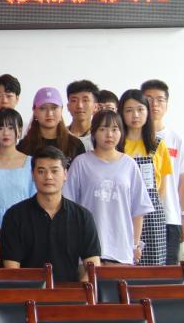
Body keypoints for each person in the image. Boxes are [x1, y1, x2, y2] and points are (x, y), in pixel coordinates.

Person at [63, 110, 153, 265]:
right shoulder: (81, 163)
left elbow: (138, 209)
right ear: (94, 132)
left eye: (115, 129)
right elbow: (68, 205)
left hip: (121, 249)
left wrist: (135, 244)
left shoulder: (129, 165)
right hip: (87, 249)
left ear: (121, 132)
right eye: (103, 129)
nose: (109, 134)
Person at [0, 146, 101, 283]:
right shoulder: (15, 216)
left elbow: (93, 264)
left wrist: (79, 293)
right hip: (29, 293)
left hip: (71, 293)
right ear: (32, 175)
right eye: (41, 171)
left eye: (54, 171)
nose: (48, 177)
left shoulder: (82, 216)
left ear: (65, 174)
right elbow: (12, 269)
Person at [142, 79, 184, 264]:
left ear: (167, 105)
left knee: (168, 272)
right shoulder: (132, 138)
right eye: (148, 99)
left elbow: (183, 182)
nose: (154, 104)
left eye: (160, 99)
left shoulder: (176, 140)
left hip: (169, 218)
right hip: (140, 218)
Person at [119, 89, 172, 267]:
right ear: (121, 113)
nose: (135, 115)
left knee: (153, 267)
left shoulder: (157, 144)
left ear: (148, 112)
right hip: (123, 210)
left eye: (140, 109)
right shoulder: (117, 145)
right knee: (124, 265)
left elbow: (162, 186)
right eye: (129, 110)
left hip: (152, 214)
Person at [18, 87, 86, 169]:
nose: (49, 114)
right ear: (34, 111)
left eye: (54, 108)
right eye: (43, 108)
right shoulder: (24, 146)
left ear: (61, 109)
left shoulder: (75, 145)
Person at [66, 80, 100, 151]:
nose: (79, 106)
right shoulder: (60, 135)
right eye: (74, 100)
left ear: (95, 107)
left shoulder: (101, 137)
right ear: (68, 106)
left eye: (85, 100)